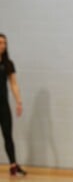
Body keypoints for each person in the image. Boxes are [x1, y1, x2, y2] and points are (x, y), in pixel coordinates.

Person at [0, 33, 27, 176]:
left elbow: (13, 84)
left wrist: (19, 102)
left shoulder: (7, 64)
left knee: (8, 135)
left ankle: (13, 165)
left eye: (4, 43)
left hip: (3, 105)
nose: (2, 46)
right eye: (0, 43)